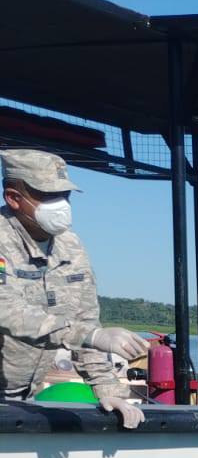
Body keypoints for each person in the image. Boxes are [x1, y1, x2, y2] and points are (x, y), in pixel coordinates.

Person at [0, 150, 145, 428]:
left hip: (21, 398)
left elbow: (86, 319)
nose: (61, 204)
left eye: (64, 195)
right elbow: (7, 310)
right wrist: (89, 335)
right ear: (13, 198)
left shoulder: (71, 246)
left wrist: (107, 390)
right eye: (48, 195)